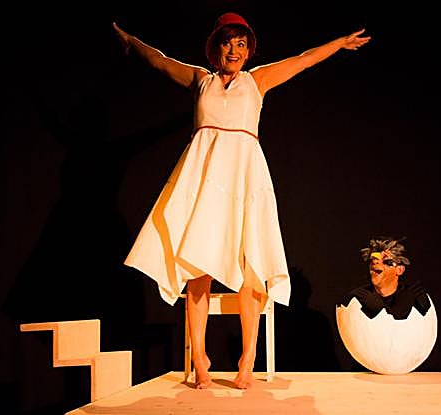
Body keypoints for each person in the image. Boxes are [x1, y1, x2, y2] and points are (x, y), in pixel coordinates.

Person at [112, 12, 371, 389]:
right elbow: (160, 60)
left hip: (244, 177)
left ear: (248, 51)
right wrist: (131, 41)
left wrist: (339, 43)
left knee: (252, 267)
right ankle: (200, 358)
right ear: (215, 48)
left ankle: (248, 357)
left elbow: (303, 59)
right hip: (204, 178)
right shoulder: (201, 80)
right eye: (227, 43)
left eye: (240, 44)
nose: (233, 50)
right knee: (197, 267)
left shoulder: (257, 80)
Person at [341, 236, 431, 320]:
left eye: (386, 262)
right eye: (372, 260)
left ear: (399, 270)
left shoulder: (414, 294)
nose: (375, 263)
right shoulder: (358, 297)